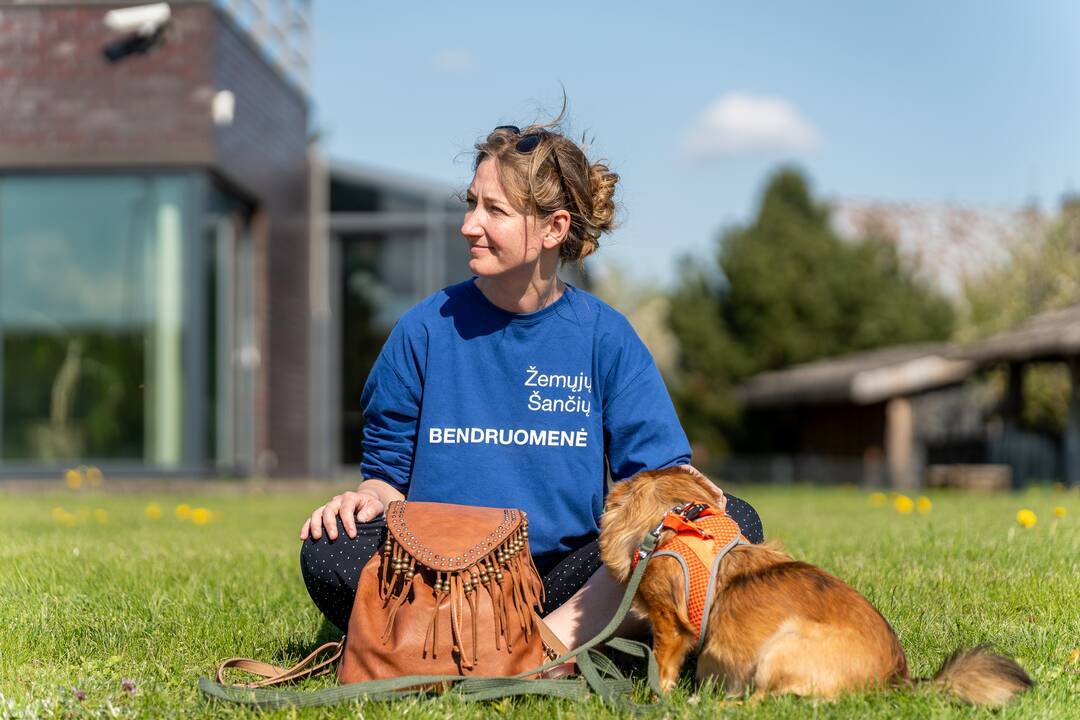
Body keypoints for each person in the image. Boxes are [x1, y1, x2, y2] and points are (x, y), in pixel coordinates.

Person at [299, 119, 763, 659]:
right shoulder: (423, 330)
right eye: (471, 203)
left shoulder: (605, 337)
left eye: (493, 210)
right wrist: (363, 501)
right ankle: (501, 644)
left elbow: (659, 485)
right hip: (439, 574)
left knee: (730, 519)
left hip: (566, 584)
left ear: (553, 228)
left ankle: (539, 651)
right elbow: (387, 478)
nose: (469, 225)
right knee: (329, 549)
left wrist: (690, 499)